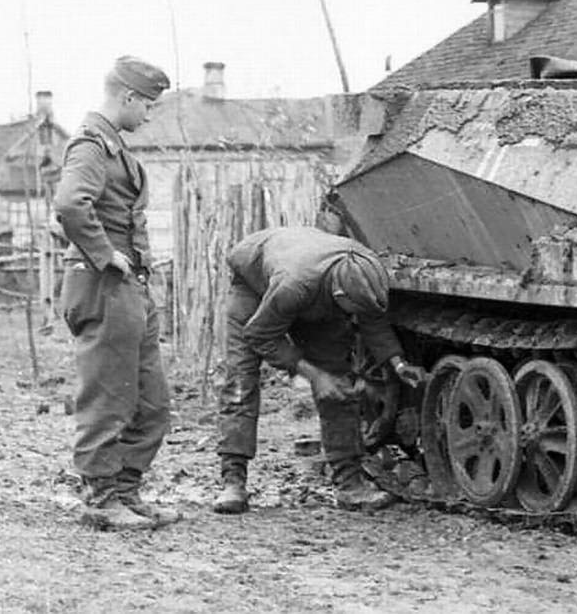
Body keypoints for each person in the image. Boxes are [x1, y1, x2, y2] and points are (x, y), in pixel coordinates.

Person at [213, 226, 426, 514]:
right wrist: (314, 376)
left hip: (314, 296)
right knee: (241, 383)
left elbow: (372, 320)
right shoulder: (294, 286)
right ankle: (233, 481)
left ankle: (350, 485)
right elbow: (259, 335)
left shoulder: (366, 271)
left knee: (339, 382)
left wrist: (397, 362)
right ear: (339, 294)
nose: (353, 316)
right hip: (255, 285)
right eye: (350, 309)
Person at [54, 56, 180, 531]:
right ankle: (101, 497)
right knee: (108, 397)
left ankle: (127, 490)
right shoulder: (91, 145)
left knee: (151, 401)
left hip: (129, 289)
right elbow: (70, 204)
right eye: (147, 104)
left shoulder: (114, 149)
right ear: (127, 97)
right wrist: (106, 254)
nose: (149, 115)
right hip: (103, 284)